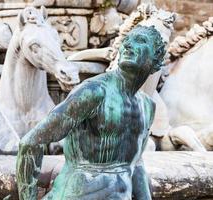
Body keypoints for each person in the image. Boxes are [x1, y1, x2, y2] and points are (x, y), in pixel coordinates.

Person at [16, 25, 166, 200]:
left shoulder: (147, 106)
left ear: (156, 60)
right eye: (126, 41)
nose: (128, 45)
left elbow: (135, 163)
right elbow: (30, 142)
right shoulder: (94, 92)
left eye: (139, 40)